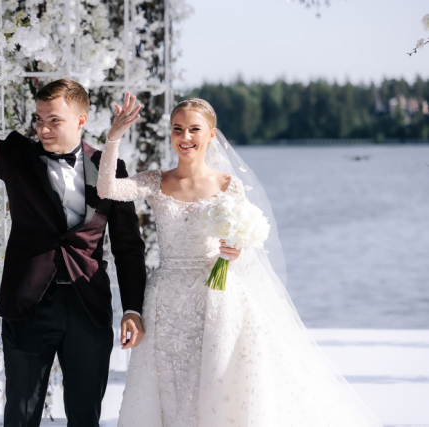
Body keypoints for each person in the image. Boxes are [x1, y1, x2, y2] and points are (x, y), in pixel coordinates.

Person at [97, 93, 383, 426]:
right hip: (166, 300)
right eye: (177, 129)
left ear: (210, 133)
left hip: (217, 297)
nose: (185, 137)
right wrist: (114, 137)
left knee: (216, 385)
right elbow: (106, 189)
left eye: (194, 129)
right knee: (169, 387)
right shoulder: (156, 181)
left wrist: (237, 252)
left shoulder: (228, 185)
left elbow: (243, 247)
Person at [0, 20, 147, 426]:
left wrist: (133, 308)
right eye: (39, 119)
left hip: (88, 307)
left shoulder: (111, 167)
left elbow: (128, 247)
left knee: (85, 416)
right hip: (29, 305)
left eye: (54, 120)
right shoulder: (17, 156)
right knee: (20, 414)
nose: (43, 128)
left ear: (81, 120)